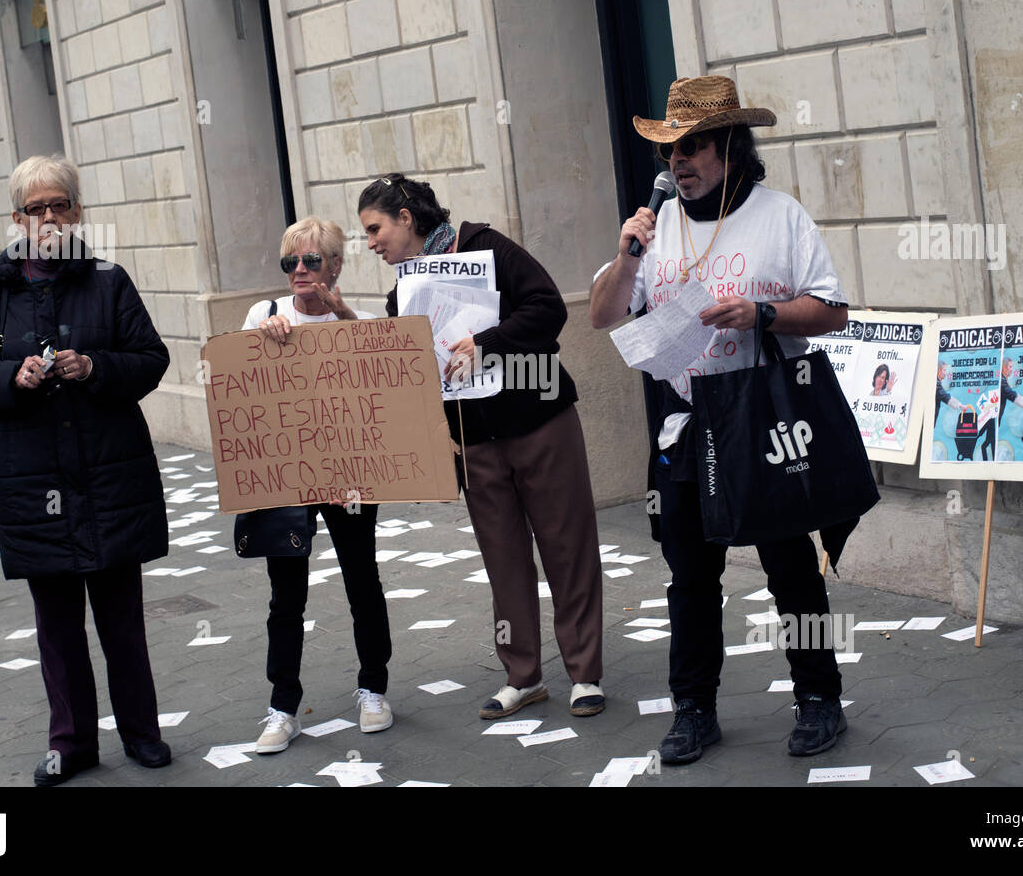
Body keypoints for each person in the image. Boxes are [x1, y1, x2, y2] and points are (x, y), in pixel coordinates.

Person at [590, 75, 851, 762]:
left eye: (693, 145)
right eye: (668, 149)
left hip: (764, 413)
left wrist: (761, 313)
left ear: (730, 148)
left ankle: (819, 696)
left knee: (791, 567)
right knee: (690, 577)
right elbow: (603, 315)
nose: (677, 161)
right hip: (687, 421)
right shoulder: (654, 228)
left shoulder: (780, 215)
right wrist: (626, 255)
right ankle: (693, 708)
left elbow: (831, 310)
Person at [0, 154, 171, 786]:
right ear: (16, 218)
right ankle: (70, 743)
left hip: (109, 472)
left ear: (77, 211)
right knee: (56, 622)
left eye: (59, 205)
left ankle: (142, 733)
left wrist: (95, 366)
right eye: (35, 208)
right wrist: (11, 379)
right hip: (33, 480)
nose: (48, 217)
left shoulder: (109, 280)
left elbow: (151, 359)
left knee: (121, 615)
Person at [358, 173, 606, 719]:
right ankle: (523, 676)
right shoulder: (403, 290)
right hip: (474, 441)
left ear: (406, 217)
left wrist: (487, 344)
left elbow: (547, 310)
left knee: (567, 546)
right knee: (502, 558)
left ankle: (585, 674)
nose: (370, 243)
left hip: (540, 420)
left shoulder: (489, 248)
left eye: (375, 229)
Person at [239, 216, 395, 752]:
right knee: (287, 595)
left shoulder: (359, 319)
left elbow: (388, 379)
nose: (300, 271)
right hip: (286, 475)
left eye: (311, 261)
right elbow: (234, 388)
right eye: (291, 263)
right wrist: (261, 342)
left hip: (349, 473)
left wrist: (342, 316)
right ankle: (283, 707)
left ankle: (373, 688)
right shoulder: (263, 315)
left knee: (361, 580)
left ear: (336, 265)